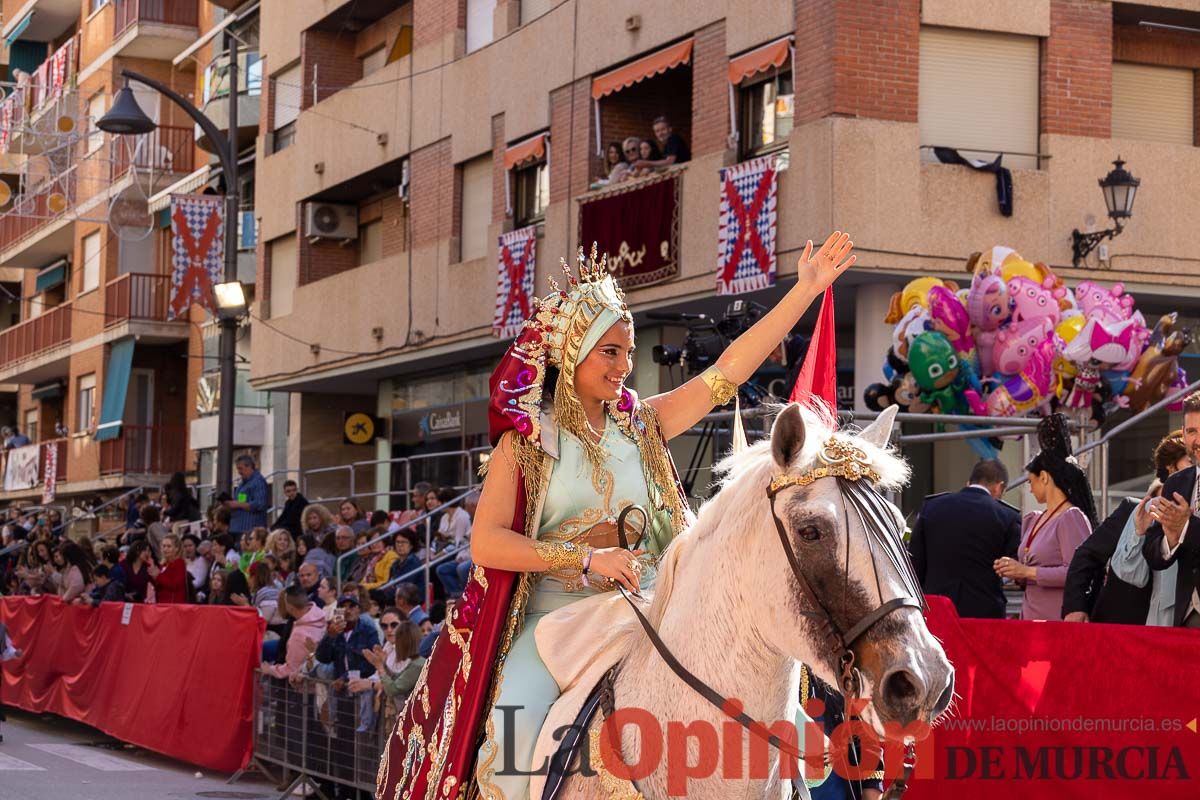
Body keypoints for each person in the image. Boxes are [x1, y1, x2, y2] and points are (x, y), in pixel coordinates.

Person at [379, 232, 857, 798]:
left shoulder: (643, 427)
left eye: (628, 351)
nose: (625, 365)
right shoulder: (527, 444)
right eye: (610, 351)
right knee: (514, 729)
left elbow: (727, 371)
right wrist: (586, 557)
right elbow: (486, 544)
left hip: (654, 605)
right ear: (571, 351)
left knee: (780, 730)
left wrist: (803, 290)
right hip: (555, 619)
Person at [1064, 431, 1189, 624]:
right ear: (1171, 468)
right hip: (1120, 627)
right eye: (1190, 462)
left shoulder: (1194, 521)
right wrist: (1075, 607)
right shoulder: (1132, 510)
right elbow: (1087, 555)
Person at [994, 414, 1096, 621]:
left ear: (1045, 477)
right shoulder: (1034, 519)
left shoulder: (1070, 517)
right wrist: (1014, 570)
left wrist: (1026, 571)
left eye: (1031, 481)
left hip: (1057, 616)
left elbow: (1077, 572)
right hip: (1031, 613)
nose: (1029, 488)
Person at [908, 459, 1020, 619]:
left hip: (935, 607)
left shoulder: (932, 507)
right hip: (983, 611)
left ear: (969, 482)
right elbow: (1011, 567)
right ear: (999, 486)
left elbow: (915, 562)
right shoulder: (1007, 516)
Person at [1143, 393, 1200, 627]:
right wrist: (1171, 540)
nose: (1197, 440)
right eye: (1192, 431)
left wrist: (1186, 527)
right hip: (1186, 616)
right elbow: (1153, 553)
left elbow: (1186, 528)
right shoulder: (1176, 483)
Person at [315, 594, 380, 733]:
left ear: (359, 609)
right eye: (343, 607)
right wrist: (329, 636)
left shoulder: (368, 631)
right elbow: (322, 657)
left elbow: (371, 662)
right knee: (343, 737)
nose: (347, 610)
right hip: (341, 693)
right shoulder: (335, 632)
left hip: (362, 691)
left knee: (362, 738)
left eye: (351, 606)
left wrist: (345, 677)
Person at [261, 583, 328, 680]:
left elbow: (291, 668)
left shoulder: (299, 634)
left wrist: (269, 669)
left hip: (303, 688)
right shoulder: (321, 614)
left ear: (290, 607)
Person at [229, 455, 269, 537]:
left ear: (249, 466)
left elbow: (260, 504)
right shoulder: (242, 483)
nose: (239, 472)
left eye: (240, 468)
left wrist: (238, 504)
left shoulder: (258, 482)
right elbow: (242, 501)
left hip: (250, 530)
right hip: (238, 528)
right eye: (238, 469)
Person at [152, 534, 190, 604]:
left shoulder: (179, 563)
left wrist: (158, 576)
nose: (165, 549)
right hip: (163, 604)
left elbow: (175, 585)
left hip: (174, 605)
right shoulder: (163, 565)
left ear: (176, 548)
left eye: (169, 546)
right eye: (164, 546)